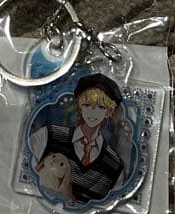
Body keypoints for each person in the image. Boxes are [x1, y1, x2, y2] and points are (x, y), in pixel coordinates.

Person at [29, 73, 126, 204]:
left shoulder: (115, 167)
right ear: (79, 106)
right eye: (87, 105)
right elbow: (26, 174)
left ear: (109, 112)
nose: (92, 113)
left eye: (101, 107)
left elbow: (115, 204)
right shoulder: (48, 135)